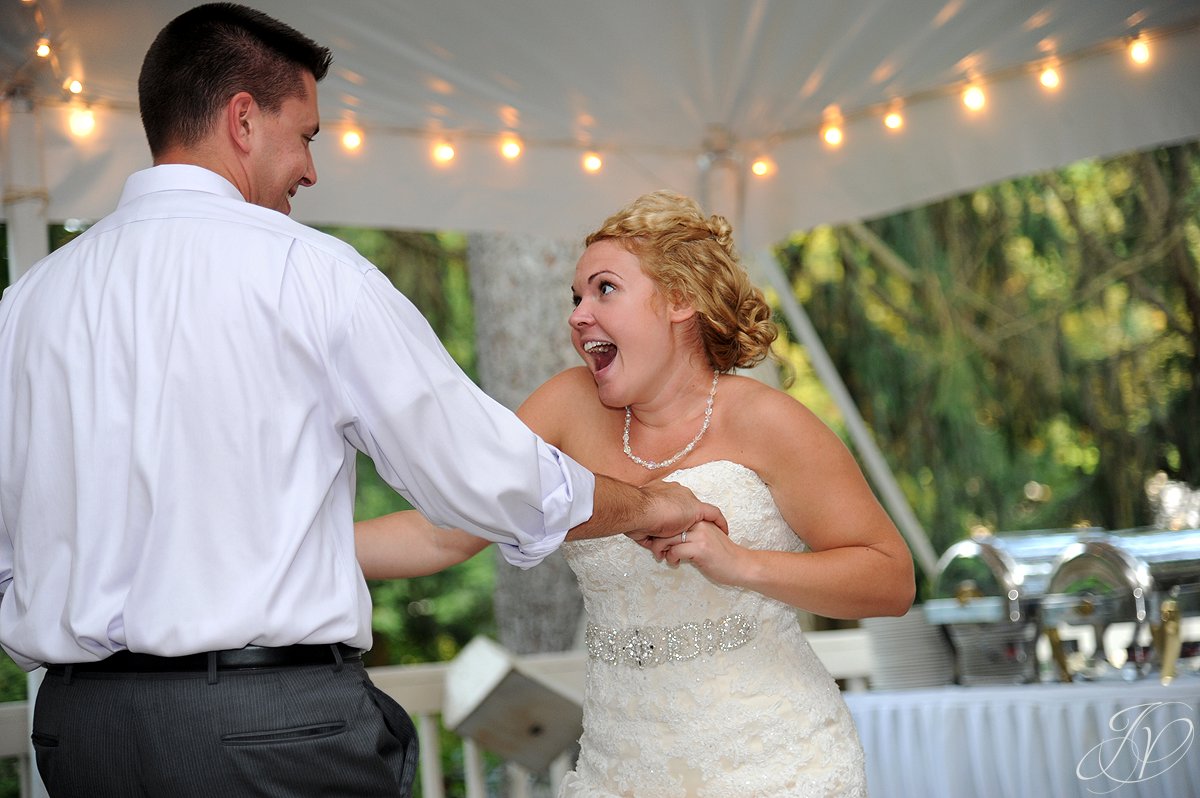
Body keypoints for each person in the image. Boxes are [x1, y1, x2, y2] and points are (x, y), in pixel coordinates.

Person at [0, 6, 723, 797]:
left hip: (79, 736)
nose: (310, 170)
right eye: (305, 135)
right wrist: (648, 506)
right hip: (268, 731)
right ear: (243, 119)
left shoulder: (26, 305)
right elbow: (480, 472)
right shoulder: (309, 272)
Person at [369, 190, 915, 796]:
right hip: (621, 770)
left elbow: (891, 580)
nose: (578, 315)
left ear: (680, 299)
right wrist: (291, 544)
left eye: (604, 289)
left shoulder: (770, 422)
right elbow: (441, 528)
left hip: (774, 765)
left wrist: (741, 565)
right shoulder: (567, 407)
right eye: (575, 297)